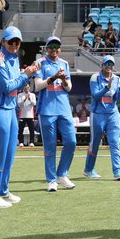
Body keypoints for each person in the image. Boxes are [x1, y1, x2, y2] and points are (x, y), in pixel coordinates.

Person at [0, 27, 40, 208]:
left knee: (9, 154)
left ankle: (3, 190)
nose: (14, 45)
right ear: (3, 42)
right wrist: (27, 74)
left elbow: (15, 85)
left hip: (9, 109)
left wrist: (26, 74)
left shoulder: (13, 59)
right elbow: (7, 87)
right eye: (10, 41)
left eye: (17, 42)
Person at [35, 36, 76, 192]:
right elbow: (38, 86)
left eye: (57, 47)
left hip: (64, 109)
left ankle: (62, 174)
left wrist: (64, 80)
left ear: (60, 49)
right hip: (47, 110)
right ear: (46, 48)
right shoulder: (40, 64)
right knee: (50, 146)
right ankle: (51, 180)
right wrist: (53, 78)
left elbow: (69, 88)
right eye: (51, 46)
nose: (54, 50)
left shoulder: (64, 64)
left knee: (71, 142)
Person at [84, 54, 120, 181]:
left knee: (114, 143)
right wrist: (107, 87)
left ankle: (118, 172)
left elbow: (117, 99)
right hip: (98, 114)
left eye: (111, 64)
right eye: (106, 64)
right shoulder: (95, 78)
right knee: (95, 143)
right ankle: (88, 169)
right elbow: (95, 95)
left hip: (113, 114)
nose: (109, 66)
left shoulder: (117, 79)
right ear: (102, 65)